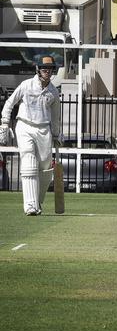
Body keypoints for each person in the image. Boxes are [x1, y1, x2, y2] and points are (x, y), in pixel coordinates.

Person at [0, 55, 61, 215]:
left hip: (44, 129)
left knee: (45, 167)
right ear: (38, 69)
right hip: (25, 126)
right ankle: (30, 206)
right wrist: (5, 123)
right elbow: (9, 103)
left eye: (50, 69)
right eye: (44, 69)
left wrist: (56, 134)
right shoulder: (26, 85)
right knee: (29, 161)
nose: (47, 71)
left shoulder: (53, 92)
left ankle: (37, 202)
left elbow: (55, 116)